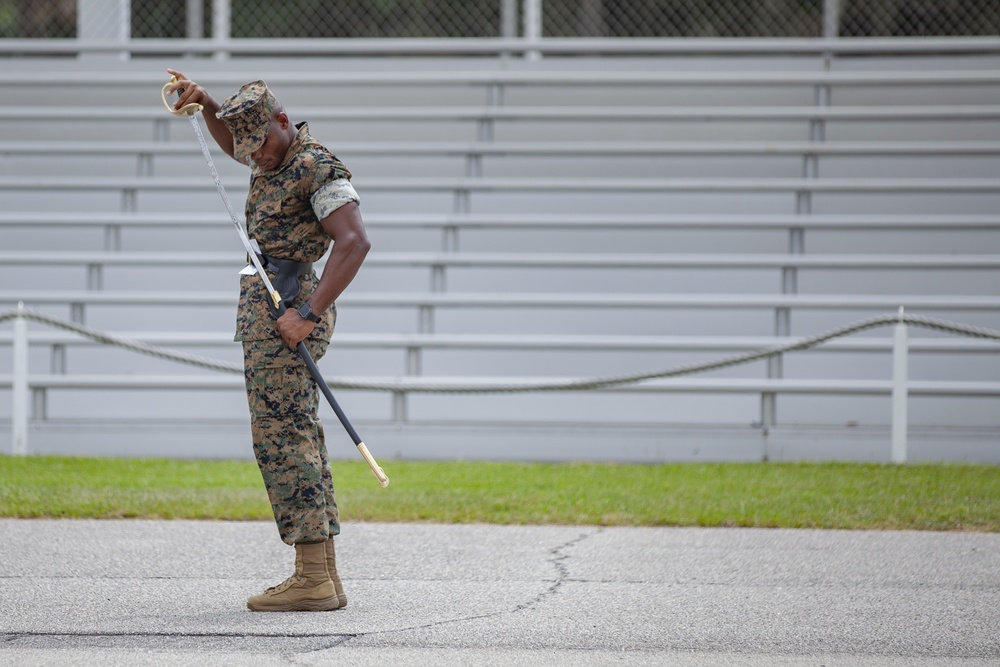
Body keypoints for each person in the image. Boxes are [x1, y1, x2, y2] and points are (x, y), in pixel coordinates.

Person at [166, 69, 371, 612]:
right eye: (247, 146)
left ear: (284, 121)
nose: (252, 155)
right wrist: (206, 101)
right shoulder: (266, 148)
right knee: (295, 431)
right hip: (269, 305)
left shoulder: (315, 165)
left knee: (280, 437)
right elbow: (235, 142)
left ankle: (311, 578)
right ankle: (322, 573)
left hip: (292, 302)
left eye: (261, 143)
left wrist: (308, 312)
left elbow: (354, 243)